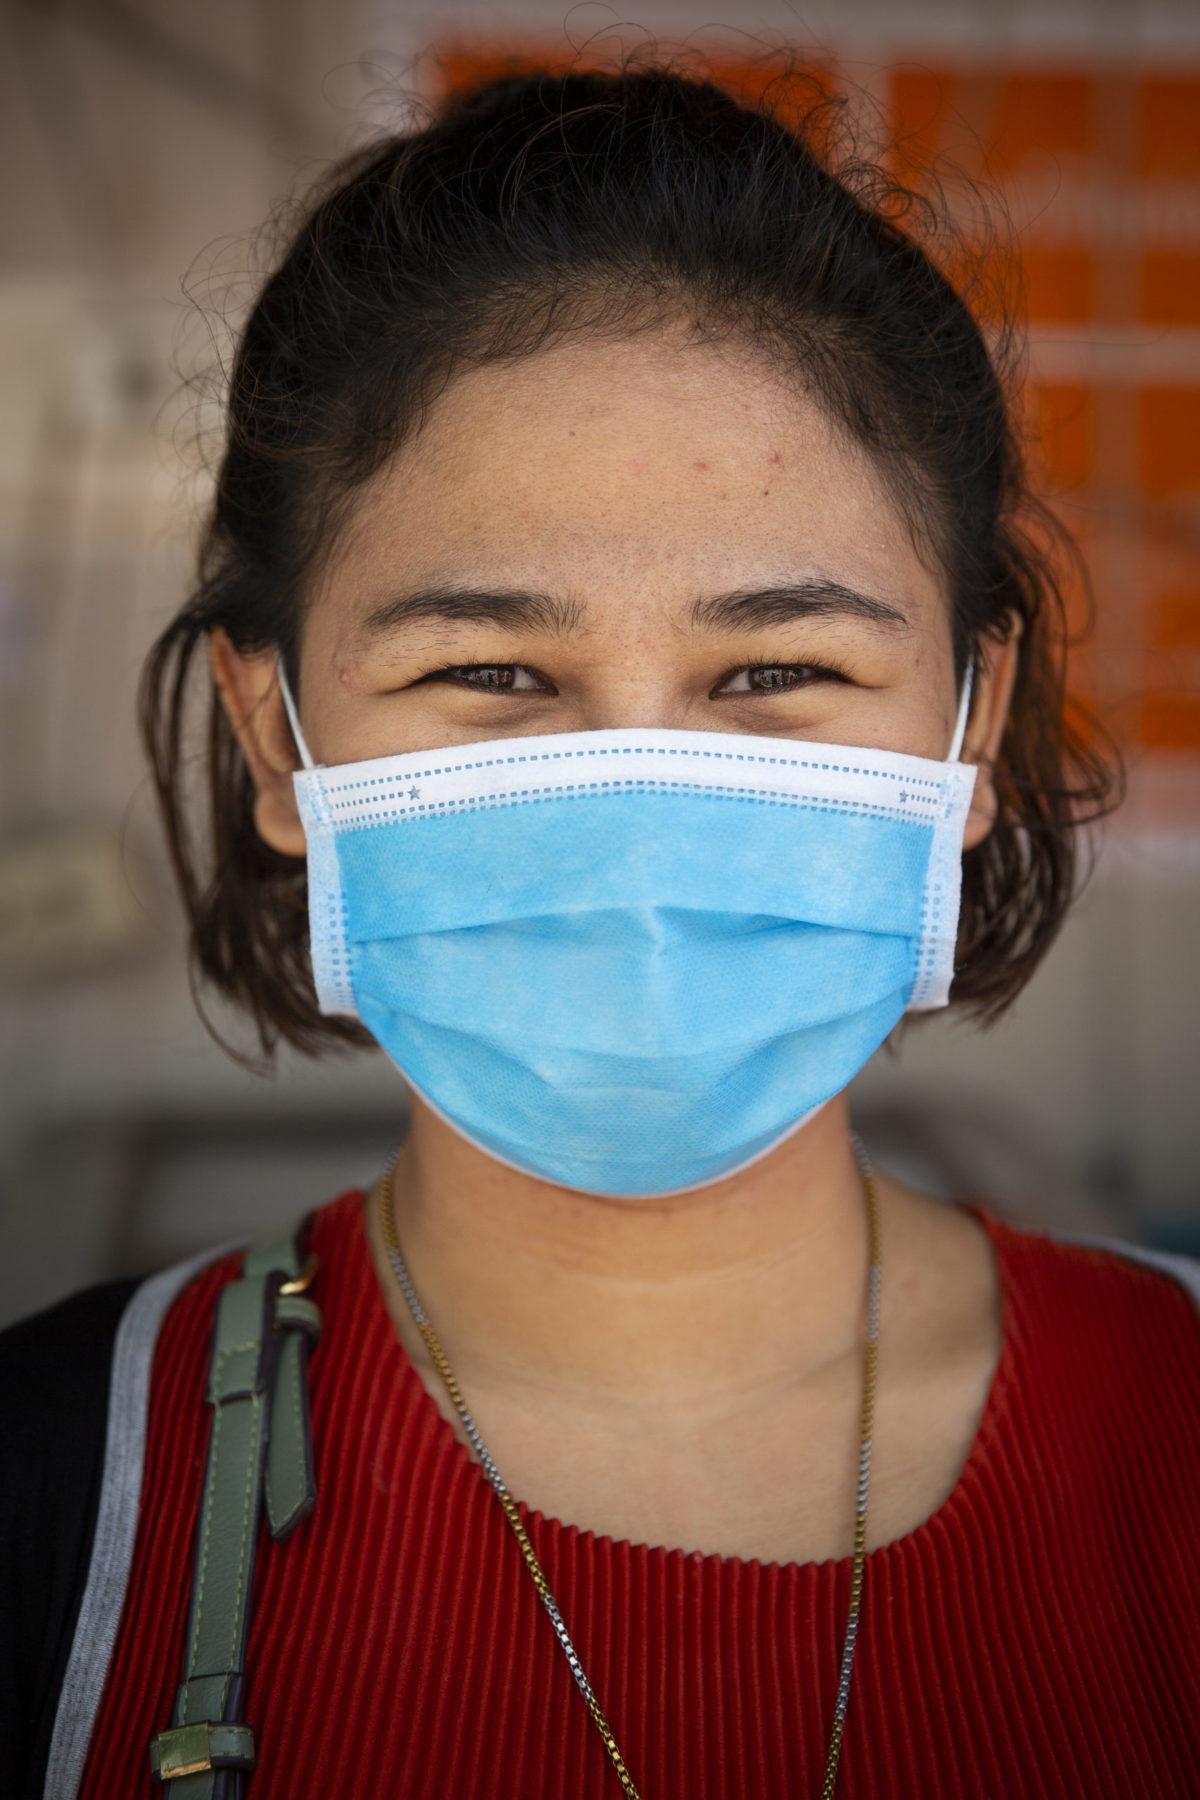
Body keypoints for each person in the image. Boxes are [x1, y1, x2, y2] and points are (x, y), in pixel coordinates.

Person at [3, 62, 1198, 1800]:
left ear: (972, 721)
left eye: (779, 673)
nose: (641, 803)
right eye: (488, 673)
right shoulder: (59, 1489)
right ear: (279, 740)